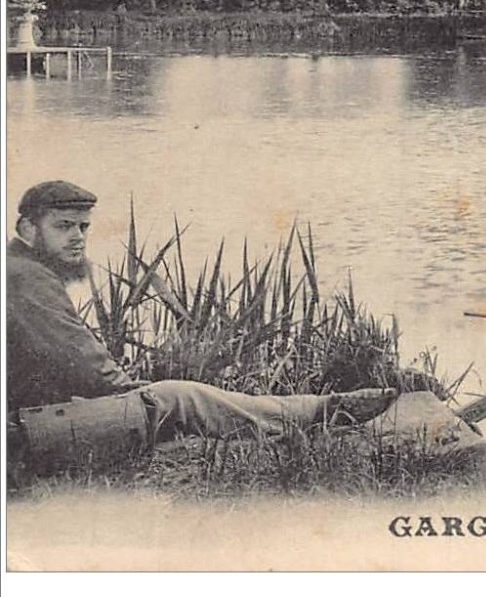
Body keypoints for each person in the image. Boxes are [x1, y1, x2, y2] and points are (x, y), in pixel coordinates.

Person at [7, 181, 396, 469]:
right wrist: (136, 397)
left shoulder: (19, 270)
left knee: (171, 396)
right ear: (27, 230)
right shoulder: (26, 278)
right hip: (23, 437)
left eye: (83, 228)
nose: (77, 238)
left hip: (24, 423)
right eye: (64, 227)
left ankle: (307, 410)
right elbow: (83, 363)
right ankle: (320, 412)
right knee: (178, 397)